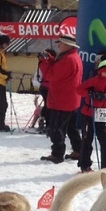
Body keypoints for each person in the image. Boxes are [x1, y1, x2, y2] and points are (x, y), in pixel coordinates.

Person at [41, 35, 82, 163]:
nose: (58, 45)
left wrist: (43, 62)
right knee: (71, 128)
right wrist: (51, 60)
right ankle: (79, 150)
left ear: (68, 45)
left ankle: (57, 154)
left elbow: (51, 75)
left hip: (62, 100)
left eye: (61, 43)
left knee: (57, 128)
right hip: (71, 99)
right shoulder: (72, 57)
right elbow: (58, 70)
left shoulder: (68, 59)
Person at [77, 60, 106, 173]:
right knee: (87, 139)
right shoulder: (94, 81)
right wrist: (91, 94)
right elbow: (79, 89)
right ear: (101, 72)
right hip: (89, 113)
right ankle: (85, 164)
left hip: (102, 114)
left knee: (105, 140)